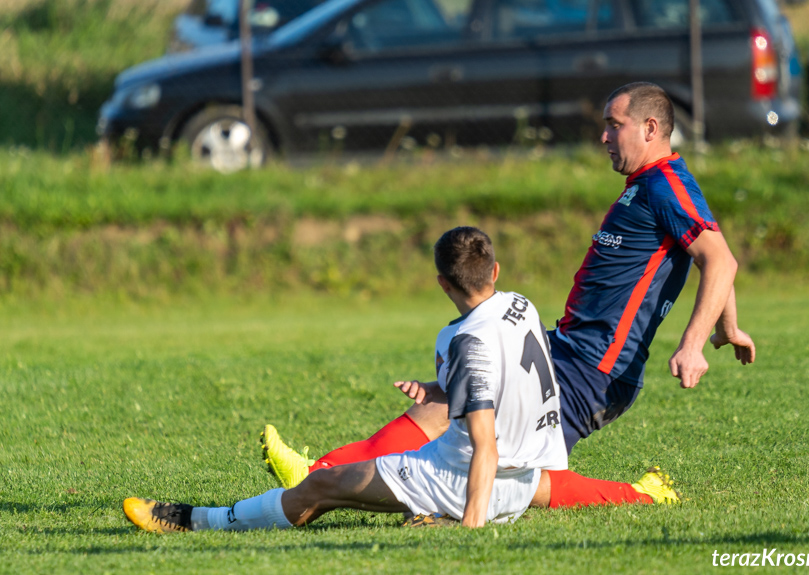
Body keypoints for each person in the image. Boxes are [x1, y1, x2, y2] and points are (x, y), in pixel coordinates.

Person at [259, 82, 754, 511]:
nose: (603, 136)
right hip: (567, 348)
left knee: (507, 476)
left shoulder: (665, 184)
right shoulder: (653, 183)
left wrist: (693, 344)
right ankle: (320, 470)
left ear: (650, 128)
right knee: (485, 441)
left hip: (593, 370)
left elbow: (719, 258)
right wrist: (727, 325)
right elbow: (711, 244)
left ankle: (641, 494)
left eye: (613, 125)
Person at [125, 226, 593, 532]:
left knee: (322, 486)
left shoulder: (465, 341)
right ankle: (443, 517)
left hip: (469, 480)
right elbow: (504, 381)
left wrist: (472, 526)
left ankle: (199, 521)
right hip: (527, 478)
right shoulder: (522, 305)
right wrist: (436, 391)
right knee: (377, 473)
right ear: (495, 270)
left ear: (442, 284)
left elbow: (485, 443)